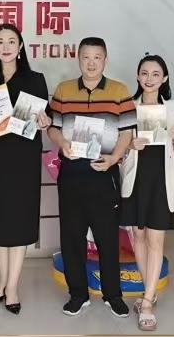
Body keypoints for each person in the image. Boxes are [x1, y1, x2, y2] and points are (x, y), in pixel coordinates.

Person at [48, 37, 135, 318]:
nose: (91, 63)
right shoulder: (64, 90)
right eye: (86, 57)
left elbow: (127, 132)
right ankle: (78, 294)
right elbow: (52, 127)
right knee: (72, 237)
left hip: (104, 173)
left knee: (107, 237)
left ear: (105, 60)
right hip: (72, 174)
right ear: (79, 59)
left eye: (97, 57)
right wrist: (62, 143)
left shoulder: (119, 91)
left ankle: (113, 295)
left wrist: (114, 158)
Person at [0, 23, 51, 315]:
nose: (6, 46)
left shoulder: (35, 79)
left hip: (23, 159)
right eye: (0, 41)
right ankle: (2, 283)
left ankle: (13, 287)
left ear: (20, 47)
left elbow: (45, 117)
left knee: (19, 220)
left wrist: (45, 121)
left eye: (11, 41)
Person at [119, 54, 174, 331]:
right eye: (145, 73)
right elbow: (119, 145)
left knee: (155, 239)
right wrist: (130, 145)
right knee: (137, 236)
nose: (149, 79)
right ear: (138, 76)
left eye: (156, 74)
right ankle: (150, 290)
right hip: (135, 179)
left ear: (165, 78)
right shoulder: (128, 107)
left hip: (162, 180)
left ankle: (146, 301)